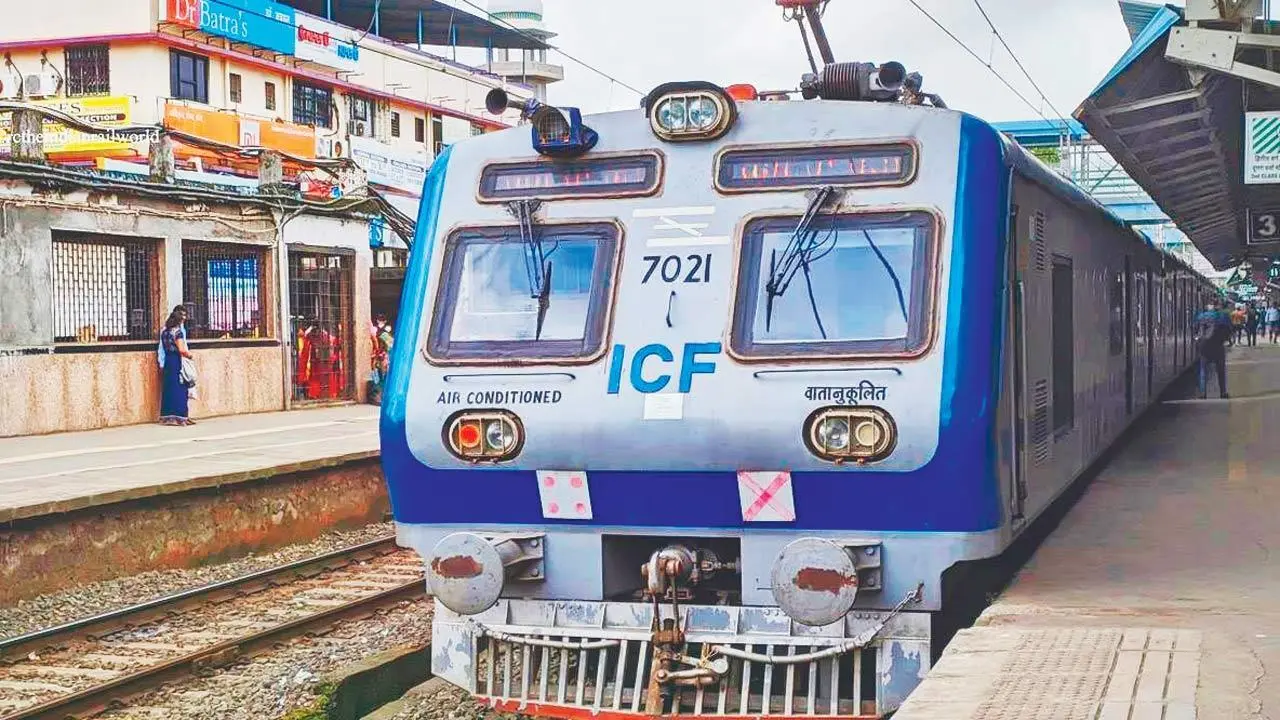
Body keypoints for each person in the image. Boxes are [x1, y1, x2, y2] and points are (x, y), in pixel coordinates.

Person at [159, 308, 196, 425]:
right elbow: (181, 349)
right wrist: (189, 355)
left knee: (169, 389)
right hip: (177, 361)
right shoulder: (177, 332)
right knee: (180, 388)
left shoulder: (165, 332)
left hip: (168, 362)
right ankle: (180, 416)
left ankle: (167, 416)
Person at [1193, 300, 1232, 399]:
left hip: (1204, 345)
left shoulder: (1201, 316)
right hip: (1218, 345)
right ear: (1217, 306)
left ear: (1207, 306)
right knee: (1220, 370)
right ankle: (1223, 392)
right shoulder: (1223, 316)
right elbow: (1229, 330)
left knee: (1203, 370)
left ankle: (1203, 393)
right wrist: (1226, 340)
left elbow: (1195, 329)